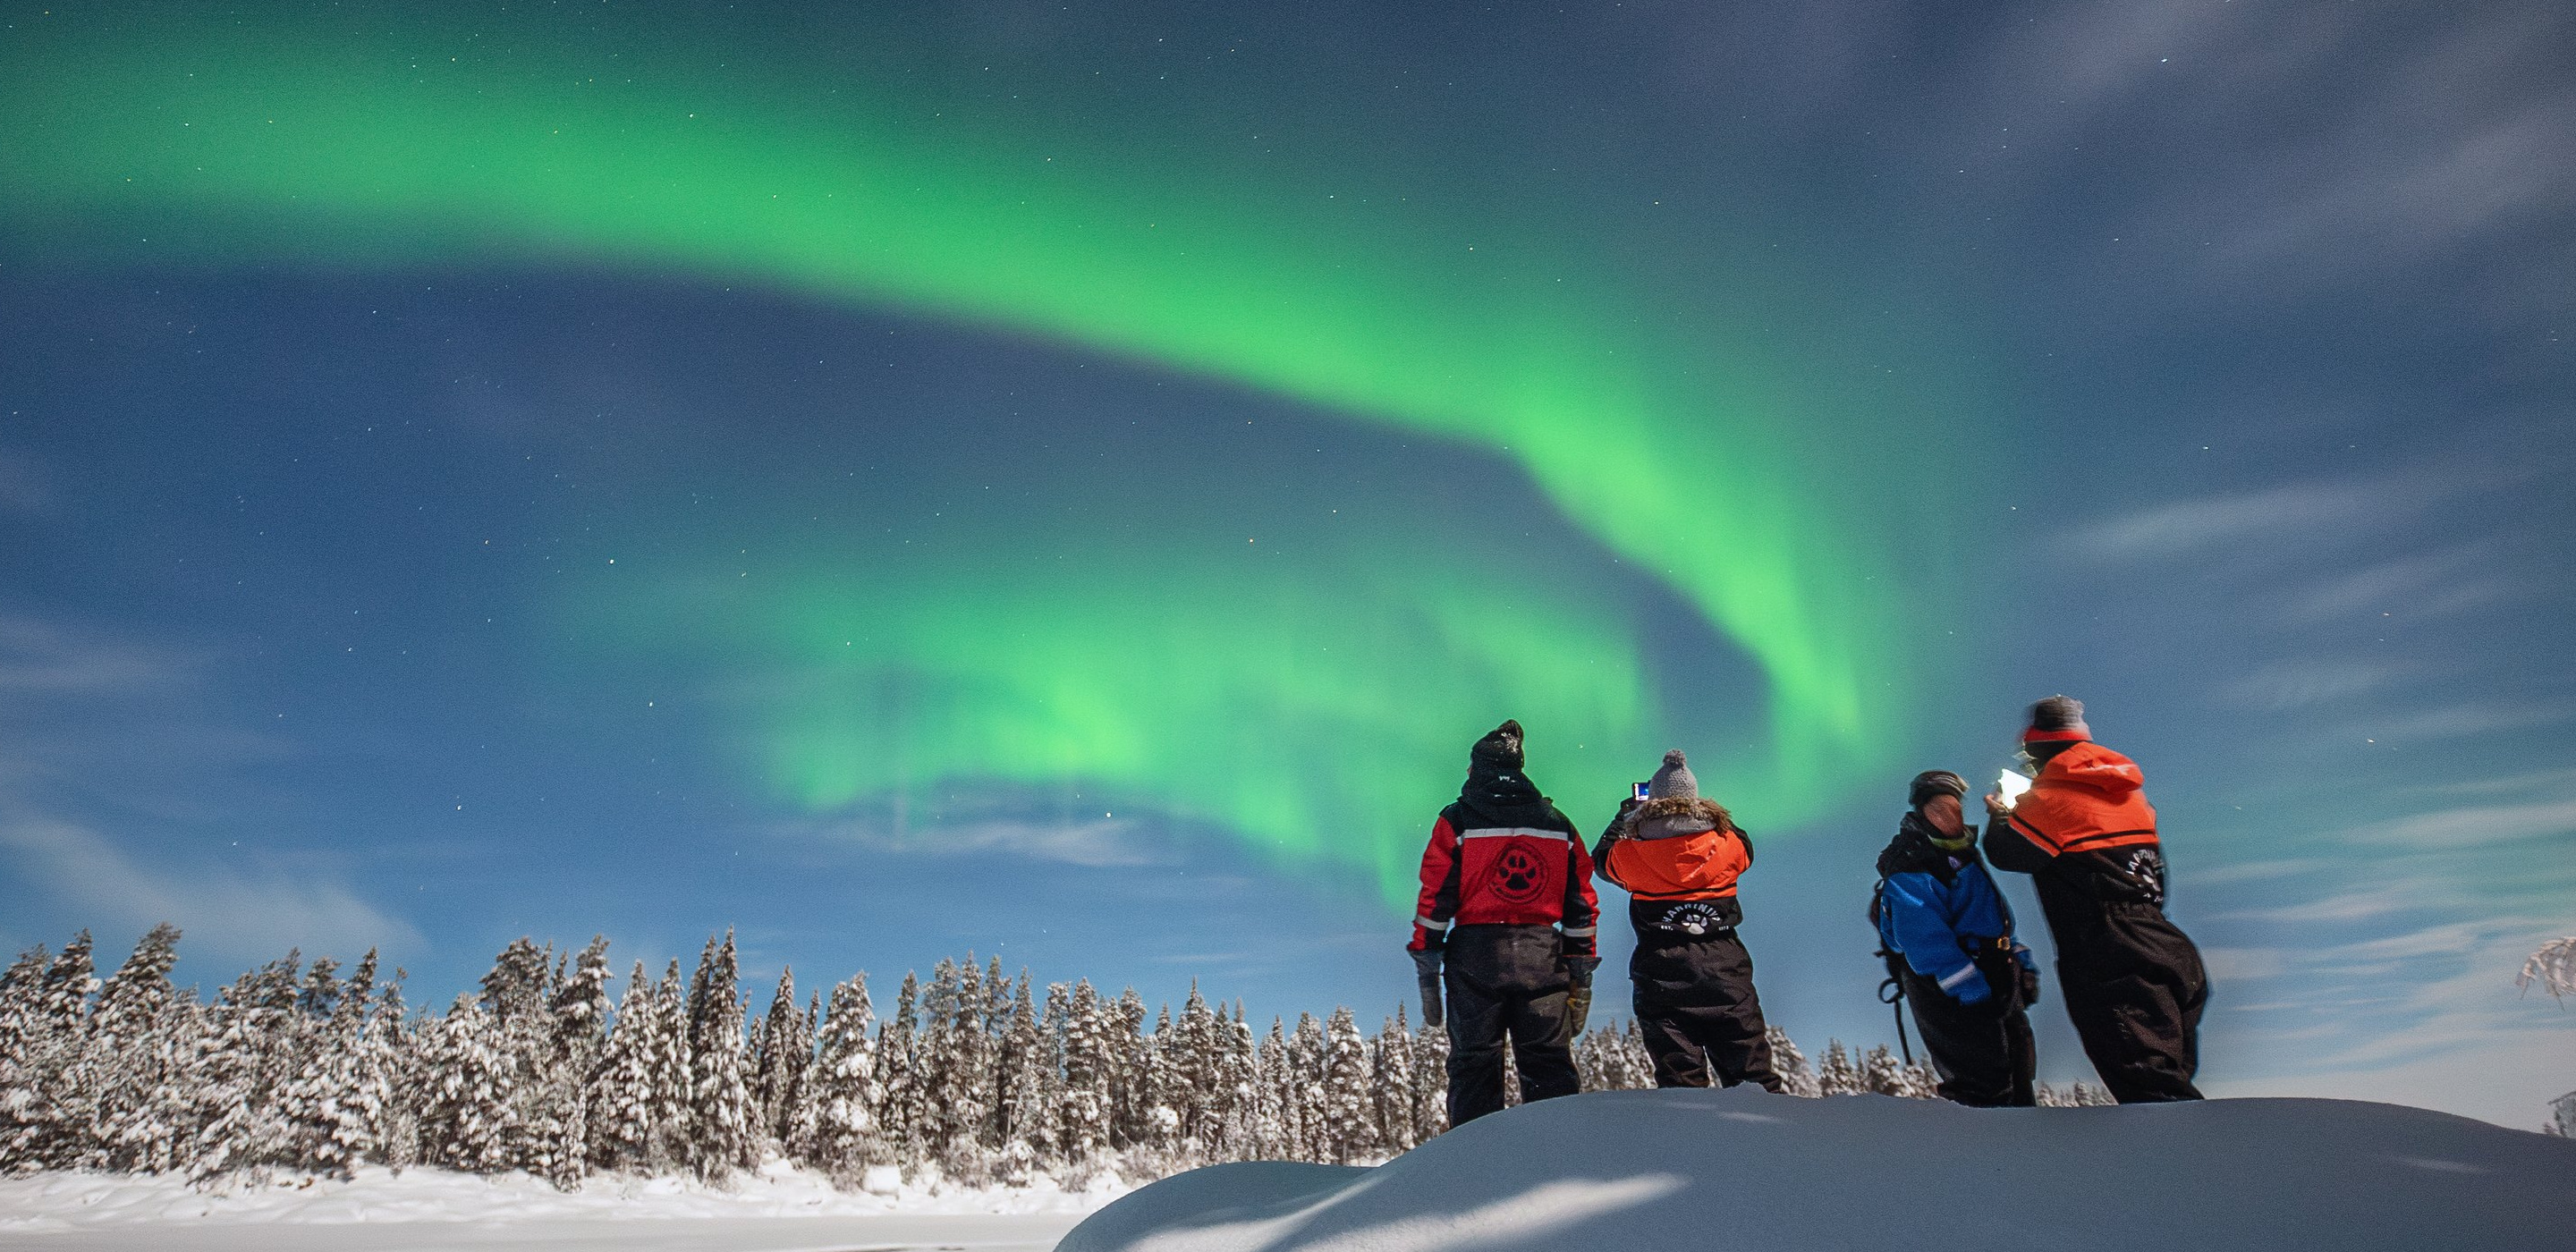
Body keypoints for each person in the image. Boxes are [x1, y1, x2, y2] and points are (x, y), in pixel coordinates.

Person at [1984, 696, 2208, 1103]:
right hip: (2166, 941)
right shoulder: (2130, 796)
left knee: (2151, 1094)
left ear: (2038, 749)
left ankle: (2190, 1165)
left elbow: (2006, 854)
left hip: (2108, 949)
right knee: (2171, 1076)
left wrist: (2001, 814)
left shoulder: (2049, 800)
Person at [1408, 719, 1600, 1126]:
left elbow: (1436, 893)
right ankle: (1560, 1157)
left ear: (1477, 769)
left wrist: (1427, 956)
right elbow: (1581, 900)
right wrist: (1581, 966)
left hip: (1475, 956)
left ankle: (1475, 1165)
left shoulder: (1456, 820)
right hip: (1542, 955)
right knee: (1549, 1063)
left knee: (1475, 1063)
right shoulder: (1558, 824)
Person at [1593, 749, 1784, 1092]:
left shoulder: (1631, 855)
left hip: (1662, 979)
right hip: (1728, 975)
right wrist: (1710, 815)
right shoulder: (1728, 846)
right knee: (1754, 1081)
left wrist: (1626, 818)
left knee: (1682, 1087)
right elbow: (1745, 844)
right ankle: (1776, 1143)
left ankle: (1692, 1144)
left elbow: (1601, 860)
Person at [1872, 769, 2038, 1107]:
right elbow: (1924, 940)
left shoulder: (1963, 855)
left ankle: (2028, 1151)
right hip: (1950, 988)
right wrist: (1970, 988)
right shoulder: (1913, 864)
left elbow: (1991, 919)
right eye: (1938, 809)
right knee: (1982, 1081)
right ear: (1922, 814)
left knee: (2018, 1066)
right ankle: (1983, 1153)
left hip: (1992, 973)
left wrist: (2021, 964)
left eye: (1956, 808)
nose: (1950, 816)